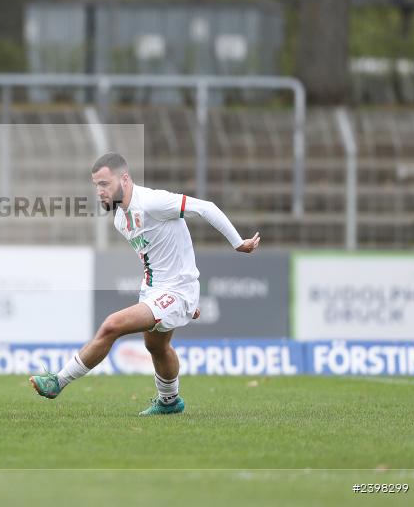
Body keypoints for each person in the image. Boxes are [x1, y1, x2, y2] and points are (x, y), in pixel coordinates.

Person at [29, 152, 260, 415]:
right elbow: (159, 255)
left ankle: (58, 382)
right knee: (156, 346)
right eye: (96, 185)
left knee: (112, 325)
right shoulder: (120, 219)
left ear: (124, 179)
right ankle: (170, 402)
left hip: (177, 289)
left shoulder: (152, 202)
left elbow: (206, 207)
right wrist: (176, 306)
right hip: (156, 290)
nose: (99, 191)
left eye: (104, 184)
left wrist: (238, 243)